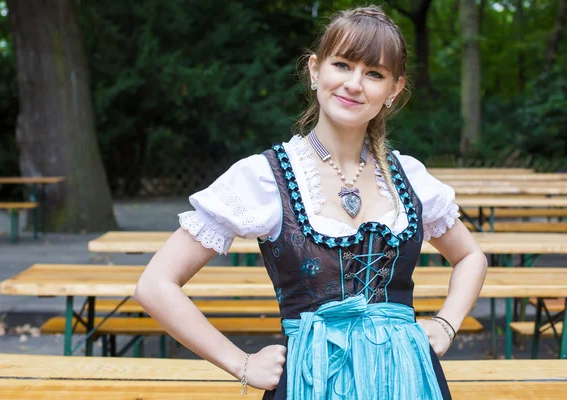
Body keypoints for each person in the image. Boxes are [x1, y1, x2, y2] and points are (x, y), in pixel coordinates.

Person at [134, 4, 487, 399]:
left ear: (394, 90)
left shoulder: (410, 177)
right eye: (343, 64)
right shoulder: (264, 177)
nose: (354, 83)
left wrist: (447, 323)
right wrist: (242, 363)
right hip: (310, 382)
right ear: (316, 69)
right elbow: (156, 284)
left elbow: (471, 256)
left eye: (374, 73)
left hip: (408, 380)